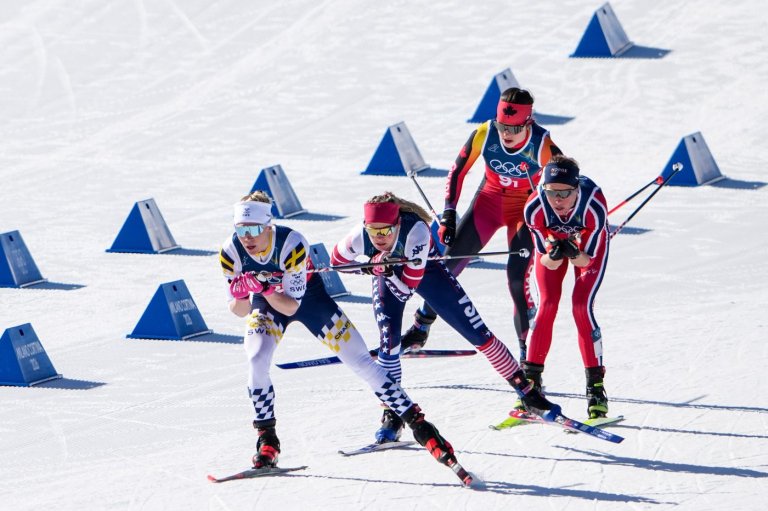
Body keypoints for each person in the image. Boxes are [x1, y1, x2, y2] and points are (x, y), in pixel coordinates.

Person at [220, 191, 466, 472]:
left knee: (360, 360)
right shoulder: (231, 251)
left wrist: (259, 286)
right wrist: (242, 296)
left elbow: (290, 306)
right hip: (266, 303)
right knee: (256, 358)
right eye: (241, 229)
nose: (247, 238)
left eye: (253, 229)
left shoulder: (292, 243)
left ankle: (420, 425)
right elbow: (239, 310)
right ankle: (267, 440)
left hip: (308, 302)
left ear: (268, 226)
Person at [331, 191, 560, 442]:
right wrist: (371, 267)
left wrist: (380, 266)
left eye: (385, 231)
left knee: (478, 333)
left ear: (397, 224)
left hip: (426, 273)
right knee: (389, 342)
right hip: (387, 275)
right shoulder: (359, 236)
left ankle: (527, 393)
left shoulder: (416, 230)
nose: (379, 237)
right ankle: (392, 412)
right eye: (373, 231)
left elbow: (409, 284)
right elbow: (336, 261)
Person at [401, 87, 563, 361]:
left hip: (524, 212)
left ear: (528, 122)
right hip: (488, 205)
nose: (505, 134)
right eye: (502, 126)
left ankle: (527, 358)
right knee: (447, 268)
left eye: (513, 128)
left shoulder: (542, 143)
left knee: (516, 280)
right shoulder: (484, 133)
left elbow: (566, 182)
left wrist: (561, 227)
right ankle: (420, 328)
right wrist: (450, 213)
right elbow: (458, 171)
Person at [522, 155, 610, 418]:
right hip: (554, 247)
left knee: (581, 307)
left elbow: (586, 259)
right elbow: (546, 262)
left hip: (586, 249)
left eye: (565, 193)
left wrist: (572, 251)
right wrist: (555, 251)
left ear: (577, 190)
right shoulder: (535, 207)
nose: (557, 200)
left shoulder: (594, 206)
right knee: (546, 306)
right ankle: (531, 388)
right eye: (551, 192)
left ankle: (596, 390)